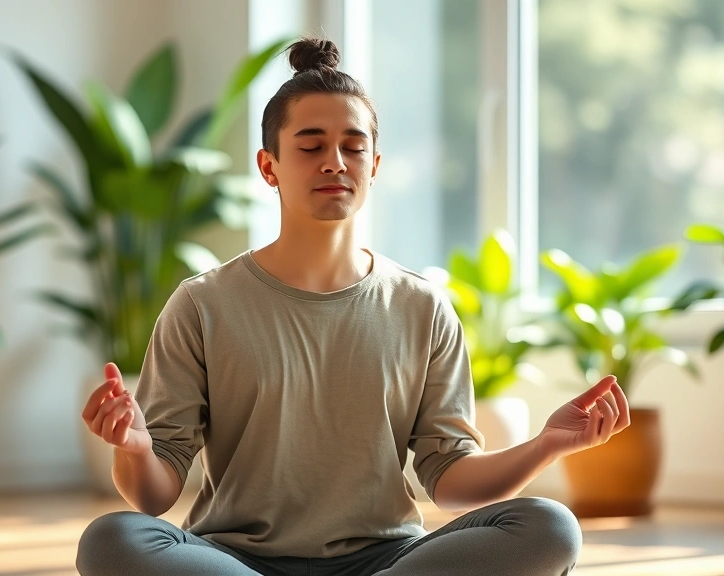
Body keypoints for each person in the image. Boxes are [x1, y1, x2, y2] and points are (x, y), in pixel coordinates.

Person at [76, 37, 630, 576]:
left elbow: (450, 480)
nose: (334, 163)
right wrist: (135, 446)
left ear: (375, 164)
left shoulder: (423, 307)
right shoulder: (201, 305)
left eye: (353, 146)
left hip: (386, 560)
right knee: (112, 539)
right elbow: (154, 496)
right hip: (233, 560)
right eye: (311, 146)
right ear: (269, 167)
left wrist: (547, 445)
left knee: (550, 526)